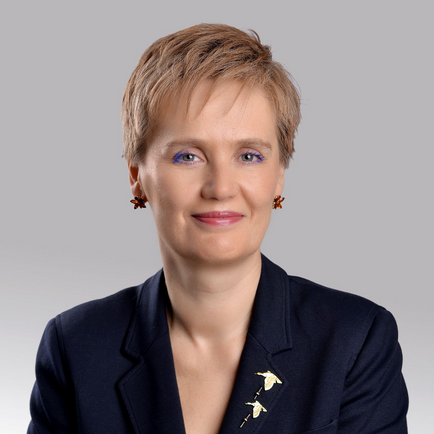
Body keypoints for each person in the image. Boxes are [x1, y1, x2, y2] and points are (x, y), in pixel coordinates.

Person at [28, 23, 408, 434]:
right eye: (188, 156)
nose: (221, 188)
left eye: (249, 156)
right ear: (137, 175)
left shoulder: (355, 341)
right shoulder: (75, 347)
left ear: (279, 176)